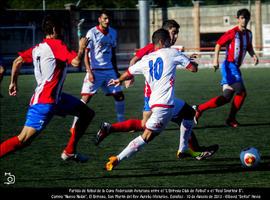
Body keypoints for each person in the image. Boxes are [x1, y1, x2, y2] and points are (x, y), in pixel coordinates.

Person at [96, 20, 218, 154]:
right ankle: (111, 130)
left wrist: (187, 58)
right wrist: (129, 77)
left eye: (177, 33)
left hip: (158, 93)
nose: (175, 37)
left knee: (183, 115)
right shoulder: (152, 47)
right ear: (164, 35)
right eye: (173, 33)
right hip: (153, 94)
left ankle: (192, 150)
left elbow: (168, 60)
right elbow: (134, 60)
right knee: (148, 125)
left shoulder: (168, 50)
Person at [0, 15, 95, 161]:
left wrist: (13, 82)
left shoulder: (38, 48)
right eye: (61, 29)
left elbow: (17, 61)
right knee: (23, 140)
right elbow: (76, 62)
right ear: (55, 29)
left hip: (55, 98)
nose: (62, 32)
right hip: (45, 102)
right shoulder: (56, 45)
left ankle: (69, 151)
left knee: (86, 113)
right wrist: (81, 48)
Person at [193, 8, 259, 128]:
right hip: (229, 66)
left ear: (249, 19)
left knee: (226, 97)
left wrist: (254, 55)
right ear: (238, 19)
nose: (244, 20)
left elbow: (249, 47)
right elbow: (218, 44)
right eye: (242, 18)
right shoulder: (232, 32)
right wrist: (215, 59)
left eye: (246, 18)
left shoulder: (249, 34)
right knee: (242, 91)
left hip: (236, 68)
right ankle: (231, 119)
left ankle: (199, 108)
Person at [70, 9, 125, 136]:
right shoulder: (92, 33)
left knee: (119, 95)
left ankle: (121, 123)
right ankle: (74, 126)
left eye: (108, 18)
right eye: (105, 18)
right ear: (99, 19)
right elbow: (86, 53)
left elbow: (113, 54)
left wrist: (116, 71)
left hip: (109, 70)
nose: (107, 21)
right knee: (86, 98)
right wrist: (89, 72)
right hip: (95, 70)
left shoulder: (113, 32)